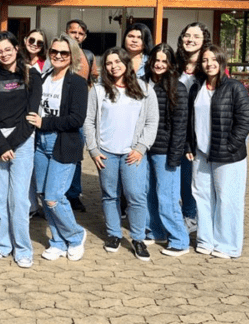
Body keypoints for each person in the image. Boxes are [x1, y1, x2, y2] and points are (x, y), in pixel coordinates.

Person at [84, 47, 158, 261]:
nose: (113, 66)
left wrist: (141, 147)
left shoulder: (144, 89)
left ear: (126, 63)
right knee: (110, 195)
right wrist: (94, 149)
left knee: (136, 195)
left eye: (117, 61)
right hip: (106, 153)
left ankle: (137, 238)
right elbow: (89, 121)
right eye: (108, 63)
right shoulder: (98, 91)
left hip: (132, 154)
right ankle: (114, 234)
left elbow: (152, 122)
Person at [25, 34, 88, 262]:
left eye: (64, 53)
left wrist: (46, 123)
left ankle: (76, 235)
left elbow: (76, 119)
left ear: (71, 56)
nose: (58, 56)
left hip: (63, 143)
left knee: (54, 196)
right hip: (40, 144)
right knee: (43, 194)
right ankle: (58, 241)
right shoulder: (43, 77)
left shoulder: (77, 82)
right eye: (54, 52)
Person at [186, 45, 249, 259]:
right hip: (201, 153)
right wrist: (190, 145)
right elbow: (190, 120)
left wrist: (231, 145)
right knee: (202, 196)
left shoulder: (235, 87)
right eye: (205, 60)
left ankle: (227, 245)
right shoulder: (197, 87)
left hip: (229, 155)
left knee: (227, 199)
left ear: (222, 61)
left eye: (214, 59)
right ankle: (206, 240)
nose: (209, 63)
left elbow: (246, 120)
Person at [0, 31, 42, 269]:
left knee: (19, 199)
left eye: (8, 49)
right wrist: (0, 144)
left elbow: (31, 114)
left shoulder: (32, 74)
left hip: (22, 140)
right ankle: (2, 244)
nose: (4, 54)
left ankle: (23, 249)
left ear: (16, 48)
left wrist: (12, 144)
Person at [143, 43, 190, 257]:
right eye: (156, 60)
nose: (159, 64)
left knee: (167, 196)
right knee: (149, 193)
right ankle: (156, 231)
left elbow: (181, 126)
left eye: (164, 61)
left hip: (165, 152)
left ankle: (179, 240)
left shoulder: (177, 88)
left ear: (170, 64)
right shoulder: (143, 84)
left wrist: (175, 157)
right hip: (144, 149)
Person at [175, 22, 211, 233]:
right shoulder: (176, 66)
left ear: (204, 40)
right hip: (176, 131)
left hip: (197, 133)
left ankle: (191, 217)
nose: (190, 39)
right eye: (187, 35)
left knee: (192, 179)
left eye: (196, 36)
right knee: (178, 177)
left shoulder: (207, 68)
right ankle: (181, 214)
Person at [63, 18, 95, 213]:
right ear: (66, 32)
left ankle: (73, 194)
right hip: (58, 113)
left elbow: (92, 82)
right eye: (73, 32)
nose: (76, 36)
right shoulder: (57, 53)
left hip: (79, 114)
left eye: (80, 33)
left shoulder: (88, 56)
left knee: (76, 155)